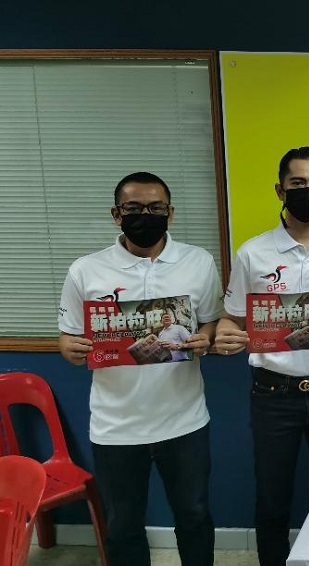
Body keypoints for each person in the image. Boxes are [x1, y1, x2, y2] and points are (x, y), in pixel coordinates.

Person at [213, 146, 309, 566]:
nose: (308, 190)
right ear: (280, 190)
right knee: (272, 500)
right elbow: (231, 319)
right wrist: (226, 336)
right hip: (272, 395)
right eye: (298, 183)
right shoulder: (252, 253)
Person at [57, 172, 220, 566]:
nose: (145, 216)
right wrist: (71, 349)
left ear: (170, 213)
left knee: (195, 517)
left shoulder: (198, 262)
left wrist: (205, 338)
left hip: (184, 420)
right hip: (116, 425)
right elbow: (68, 337)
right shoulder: (86, 270)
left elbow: (211, 322)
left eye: (155, 208)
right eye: (133, 208)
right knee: (123, 526)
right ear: (117, 215)